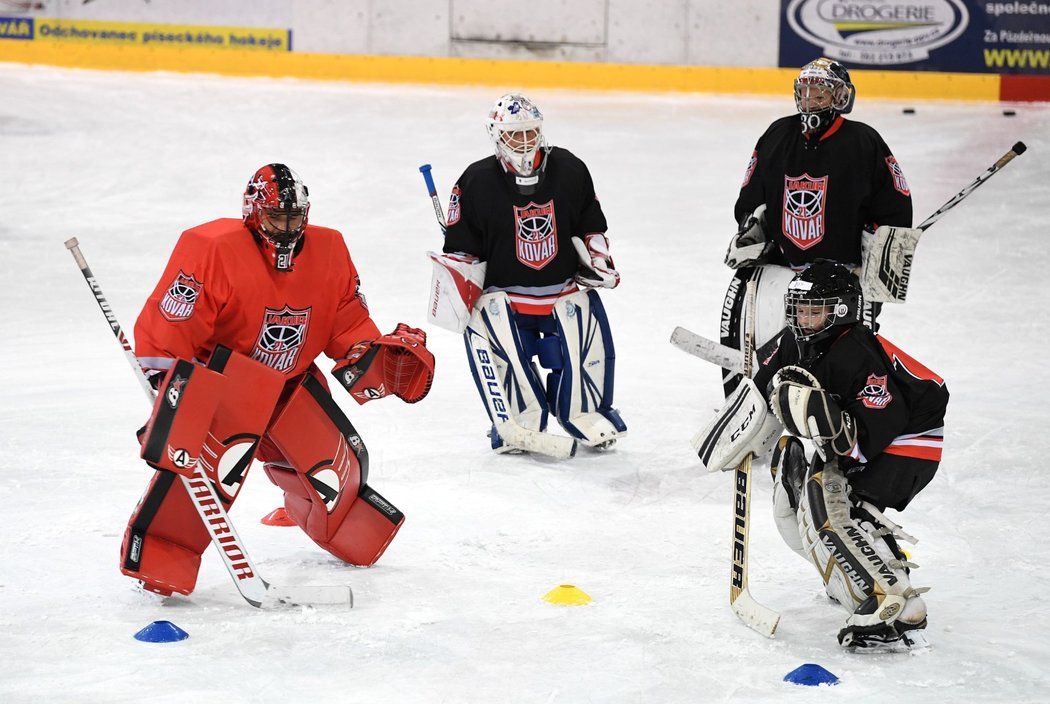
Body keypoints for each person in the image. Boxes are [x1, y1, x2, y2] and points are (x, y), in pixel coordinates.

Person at [121, 163, 435, 597]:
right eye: (276, 217)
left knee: (338, 474)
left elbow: (345, 318)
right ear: (252, 213)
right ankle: (160, 555)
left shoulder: (329, 248)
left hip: (293, 384)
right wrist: (171, 388)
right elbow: (173, 322)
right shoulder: (212, 248)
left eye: (294, 217)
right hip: (230, 388)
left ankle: (339, 525)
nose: (287, 228)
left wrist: (372, 355)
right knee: (202, 479)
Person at [693, 261, 948, 651]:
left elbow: (865, 433)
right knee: (789, 495)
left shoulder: (857, 352)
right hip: (872, 435)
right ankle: (867, 588)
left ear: (842, 310)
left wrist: (826, 423)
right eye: (799, 309)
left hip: (909, 440)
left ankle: (888, 600)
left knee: (828, 501)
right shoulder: (794, 340)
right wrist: (737, 436)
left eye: (815, 310)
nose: (803, 318)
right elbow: (758, 392)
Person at [430, 93, 626, 453]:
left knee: (580, 354)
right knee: (510, 364)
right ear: (496, 135)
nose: (523, 141)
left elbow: (590, 224)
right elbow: (461, 246)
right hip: (504, 298)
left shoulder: (570, 169)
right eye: (513, 134)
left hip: (562, 290)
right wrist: (457, 279)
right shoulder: (476, 180)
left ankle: (585, 412)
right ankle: (519, 421)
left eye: (530, 132)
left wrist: (600, 261)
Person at [720, 57, 917, 396]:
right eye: (805, 92)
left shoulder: (864, 141)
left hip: (844, 272)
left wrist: (882, 254)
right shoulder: (777, 134)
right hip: (786, 263)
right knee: (757, 315)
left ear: (840, 97)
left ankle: (845, 392)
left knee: (837, 345)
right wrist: (752, 229)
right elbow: (751, 200)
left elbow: (895, 206)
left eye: (820, 93)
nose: (810, 100)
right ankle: (748, 388)